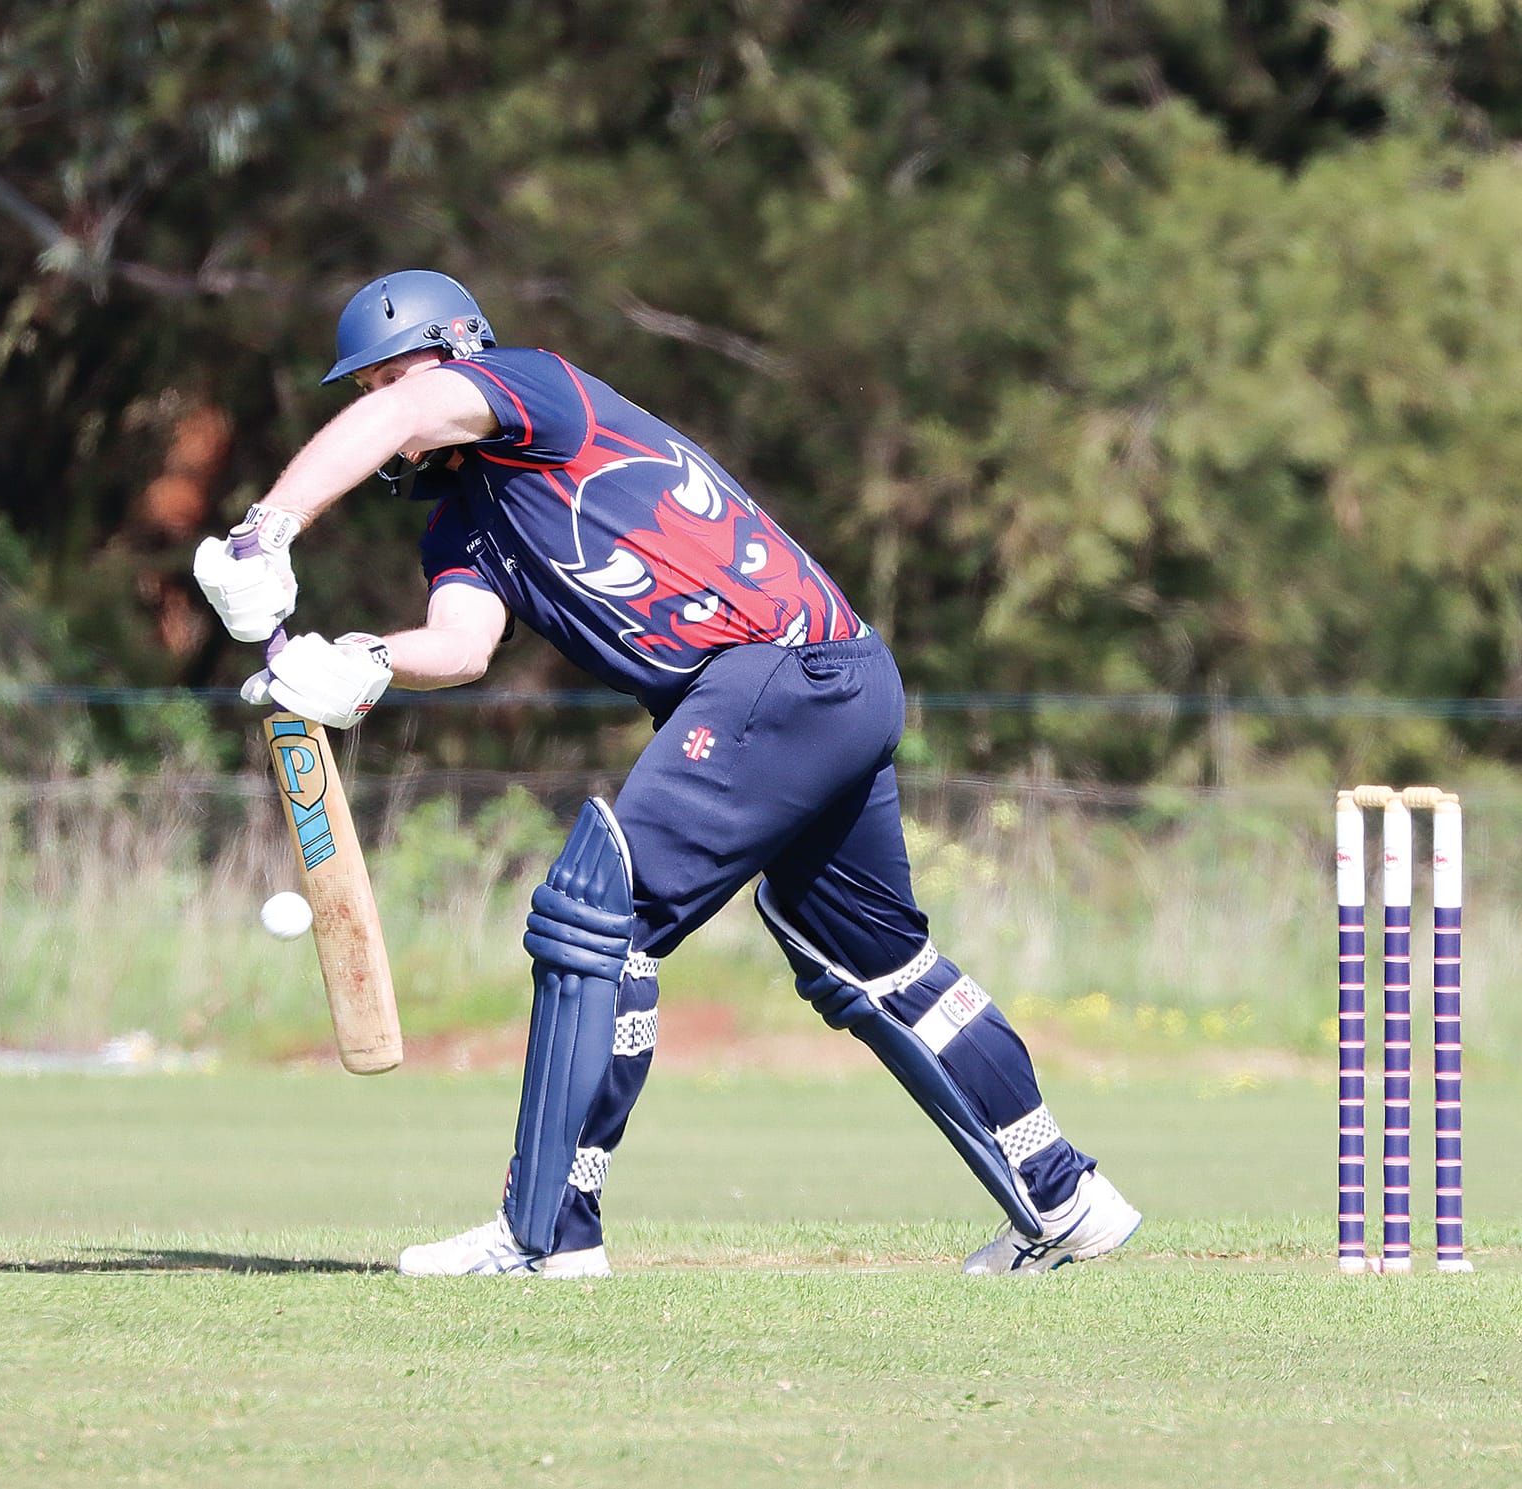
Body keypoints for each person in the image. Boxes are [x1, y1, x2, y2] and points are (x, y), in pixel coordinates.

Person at [193, 270, 1141, 1277]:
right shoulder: (459, 519)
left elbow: (416, 408)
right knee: (866, 960)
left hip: (779, 673)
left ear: (459, 348)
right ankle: (1062, 1196)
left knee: (594, 917)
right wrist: (361, 661)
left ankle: (543, 1233)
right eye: (364, 386)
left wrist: (265, 528)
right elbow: (460, 643)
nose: (379, 402)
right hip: (831, 682)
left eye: (391, 375)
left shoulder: (538, 393)